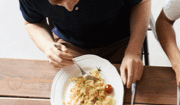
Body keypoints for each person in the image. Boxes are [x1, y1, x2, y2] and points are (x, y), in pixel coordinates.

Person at [19, 0, 151, 87]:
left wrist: (134, 51)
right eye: (58, 3)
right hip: (69, 45)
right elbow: (32, 22)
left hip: (120, 40)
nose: (70, 8)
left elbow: (142, 2)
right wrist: (48, 47)